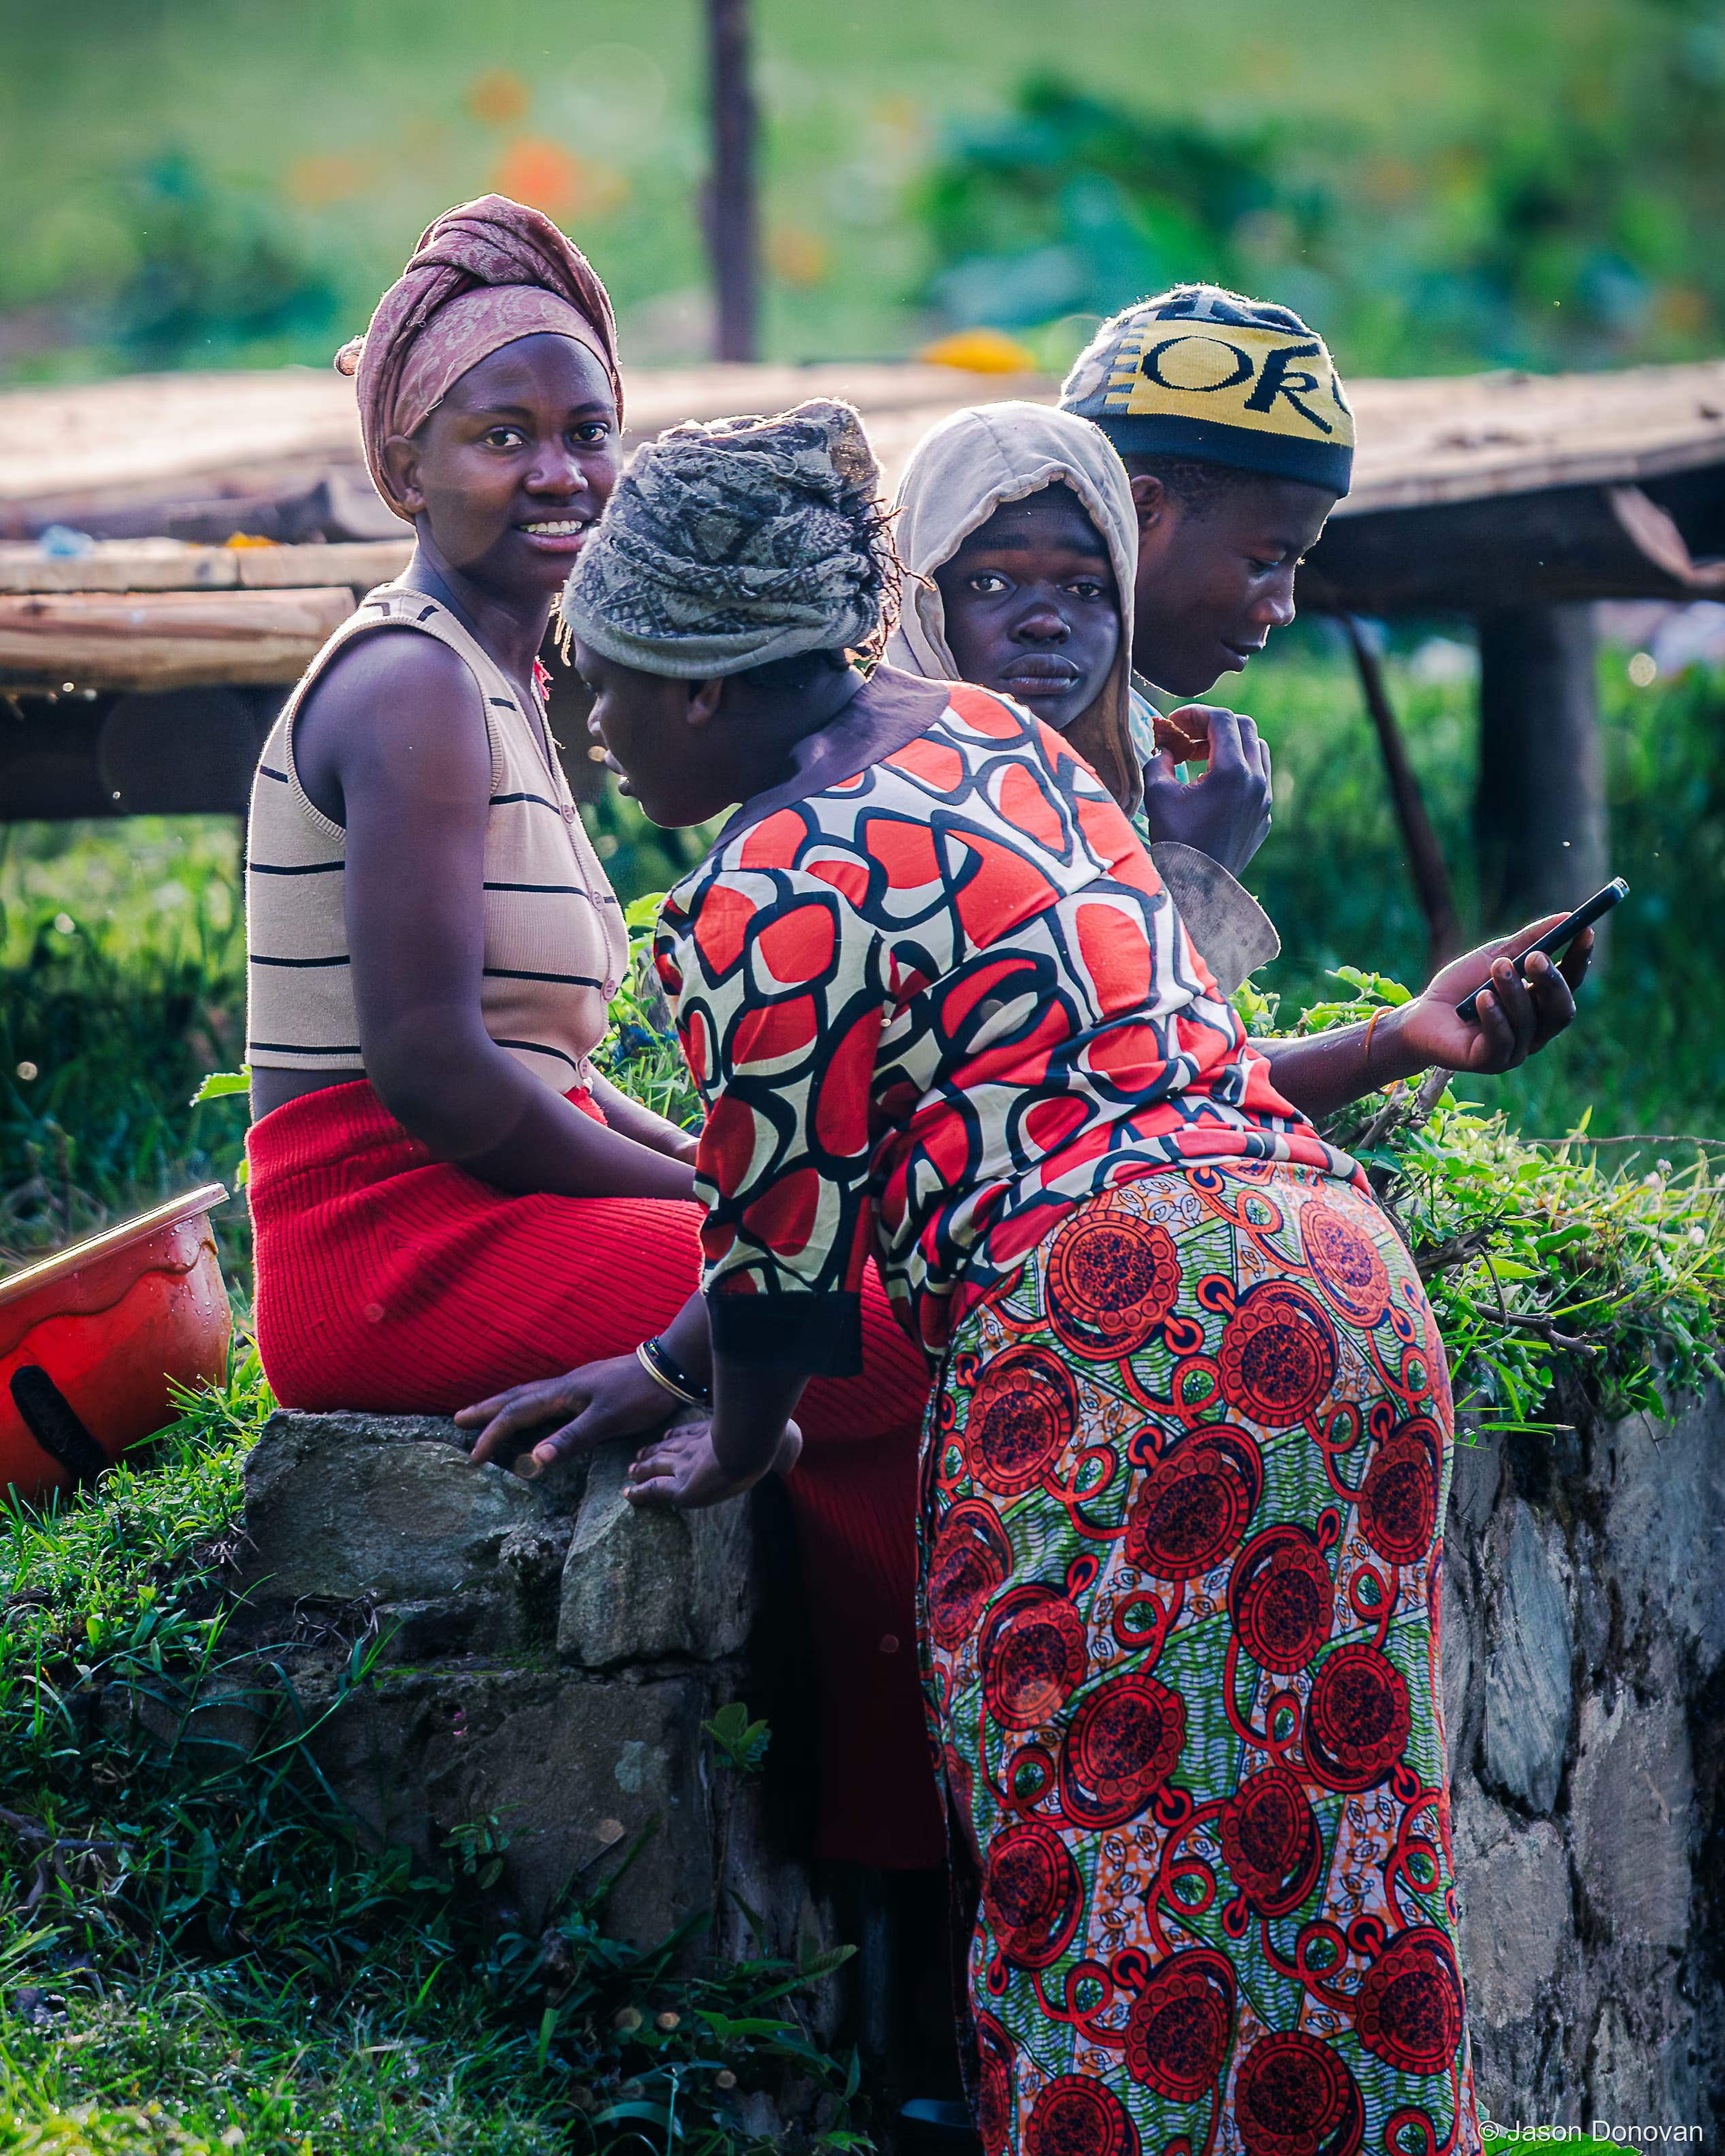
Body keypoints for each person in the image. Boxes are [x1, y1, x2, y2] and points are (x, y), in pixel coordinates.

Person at [478, 395, 1592, 2154]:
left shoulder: (762, 894)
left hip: (1111, 1349)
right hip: (1338, 1289)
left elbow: (782, 1262)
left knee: (1098, 1876)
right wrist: (670, 1361)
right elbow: (1122, 1077)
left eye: (601, 685)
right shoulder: (996, 742)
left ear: (695, 687)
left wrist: (742, 1433)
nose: (587, 725)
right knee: (1334, 1854)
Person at [242, 197, 940, 1871]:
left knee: (826, 1292)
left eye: (586, 433)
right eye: (503, 437)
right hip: (384, 1242)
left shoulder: (504, 683)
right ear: (405, 469)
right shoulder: (409, 685)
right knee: (873, 1320)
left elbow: (540, 1070)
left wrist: (719, 1180)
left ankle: (890, 1819)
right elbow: (435, 1073)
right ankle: (897, 1836)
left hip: (472, 1201)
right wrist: (724, 1221)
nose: (558, 474)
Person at [886, 399, 1279, 997]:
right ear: (920, 596)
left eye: (1086, 588)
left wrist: (1396, 1035)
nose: (1045, 622)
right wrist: (1199, 873)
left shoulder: (1131, 766)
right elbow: (1126, 1044)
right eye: (990, 583)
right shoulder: (883, 810)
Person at [1058, 283, 1353, 829]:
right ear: (1140, 511)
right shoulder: (982, 748)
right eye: (1264, 562)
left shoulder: (1120, 738)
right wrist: (1199, 863)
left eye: (1295, 565)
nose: (1283, 609)